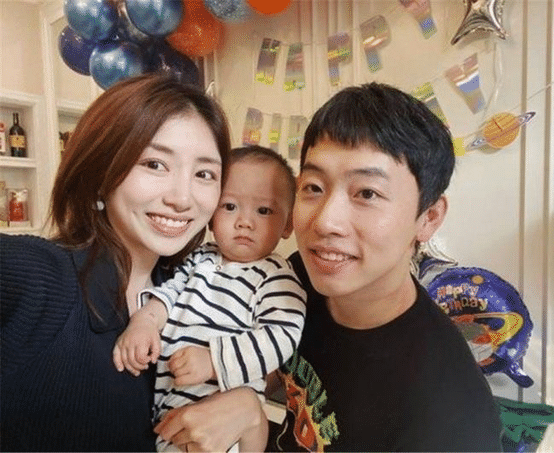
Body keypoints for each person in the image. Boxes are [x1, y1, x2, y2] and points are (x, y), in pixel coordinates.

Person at [0, 75, 266, 452]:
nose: (182, 198)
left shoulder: (200, 291)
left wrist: (252, 411)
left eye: (204, 174)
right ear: (100, 173)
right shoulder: (41, 276)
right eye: (155, 164)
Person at [266, 82, 504, 451]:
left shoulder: (451, 419)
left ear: (428, 217)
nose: (325, 222)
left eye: (367, 193)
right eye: (313, 187)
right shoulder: (297, 279)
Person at [112, 145, 307, 452]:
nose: (244, 221)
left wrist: (215, 361)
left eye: (264, 211)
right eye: (229, 206)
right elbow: (170, 292)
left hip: (222, 424)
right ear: (211, 216)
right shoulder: (199, 258)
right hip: (167, 409)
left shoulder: (276, 275)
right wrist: (145, 321)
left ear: (287, 225)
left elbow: (281, 336)